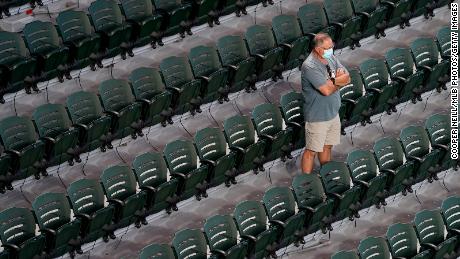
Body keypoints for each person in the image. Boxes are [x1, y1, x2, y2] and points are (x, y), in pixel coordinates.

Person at [301, 33, 351, 174]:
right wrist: (337, 80)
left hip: (333, 113)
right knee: (311, 151)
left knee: (327, 147)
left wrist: (333, 82)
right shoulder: (309, 66)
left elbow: (347, 77)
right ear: (318, 49)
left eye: (332, 46)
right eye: (327, 48)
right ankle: (306, 182)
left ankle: (326, 175)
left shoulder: (330, 58)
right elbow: (326, 91)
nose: (331, 50)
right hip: (317, 117)